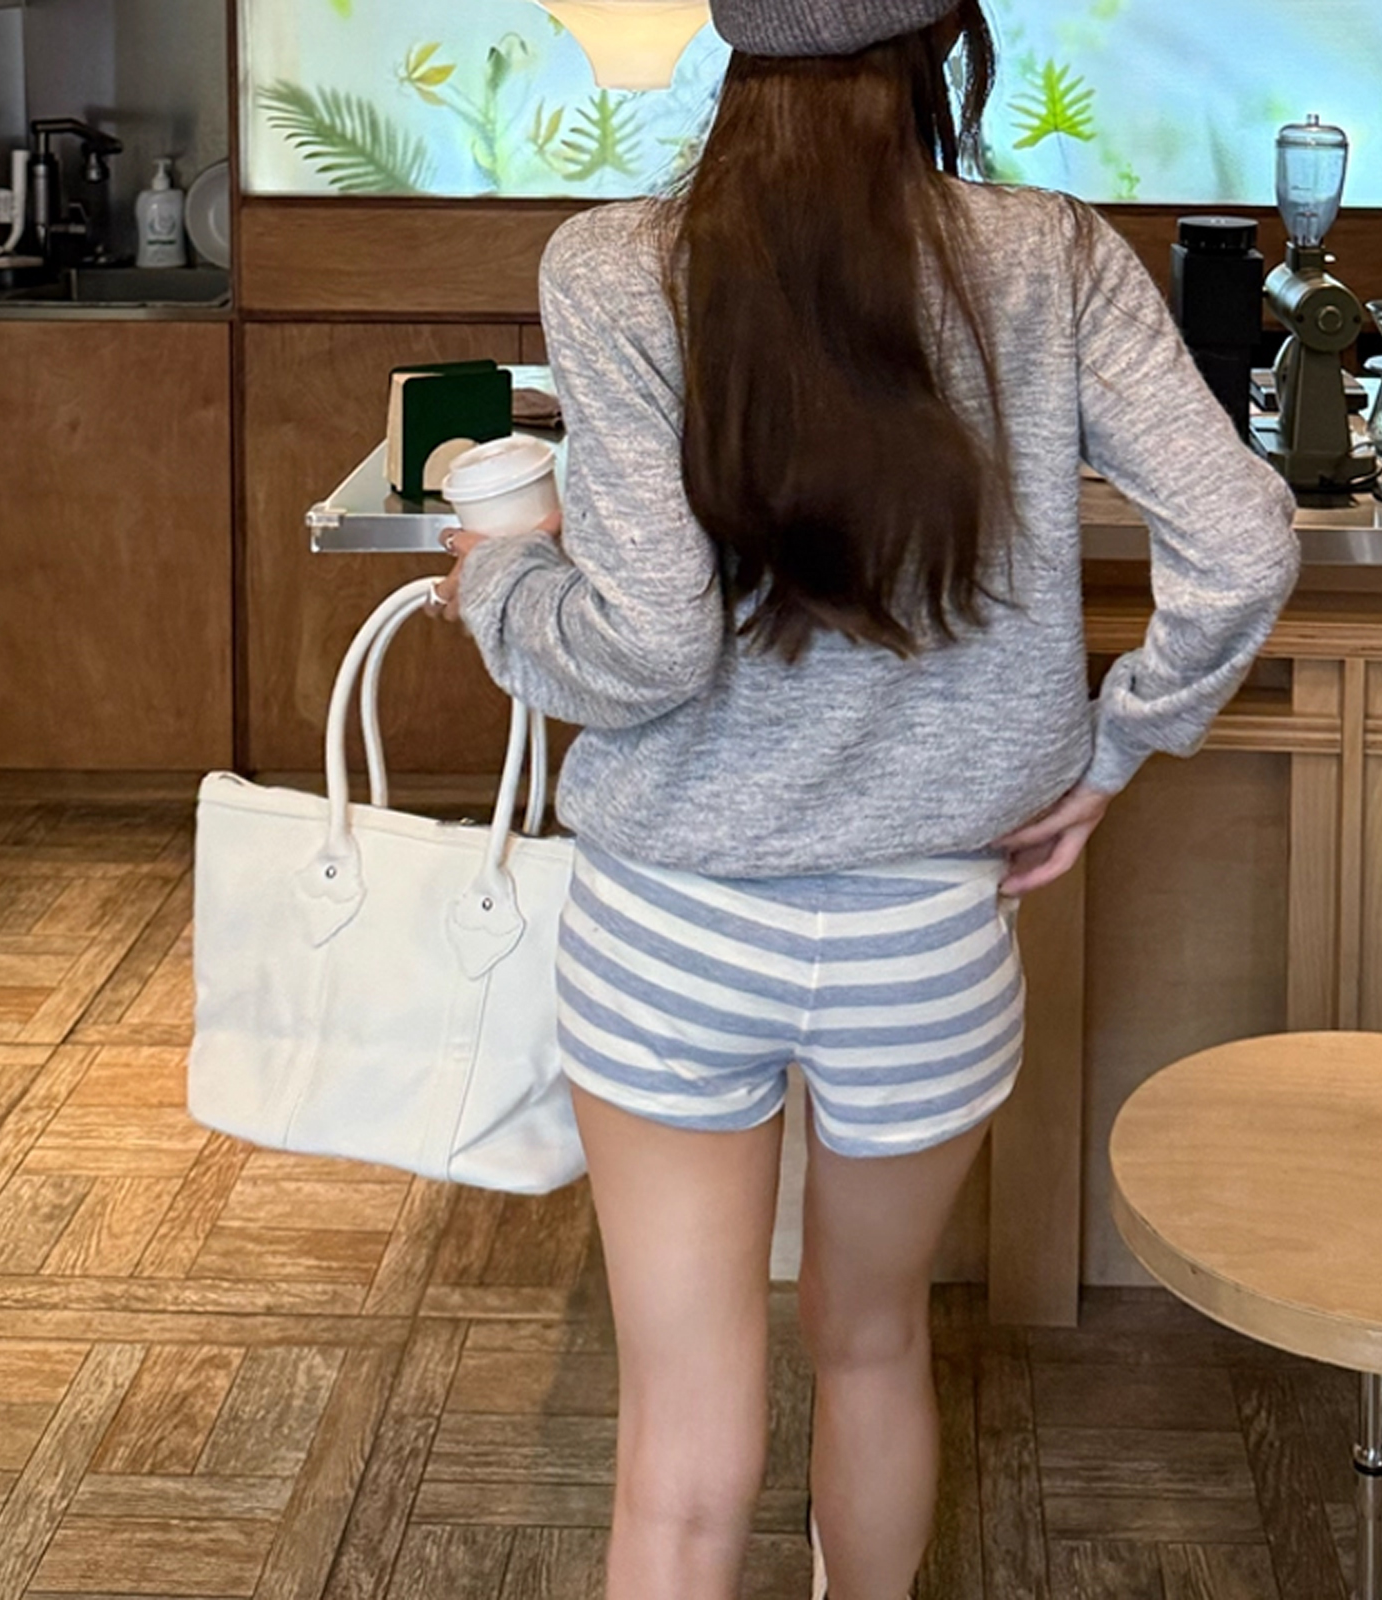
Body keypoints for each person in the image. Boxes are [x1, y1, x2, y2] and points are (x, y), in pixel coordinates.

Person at [433, 3, 1300, 1596]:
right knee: (878, 1344)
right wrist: (1112, 753)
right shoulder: (1050, 256)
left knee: (679, 1441)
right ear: (948, 38)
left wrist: (496, 580)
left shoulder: (616, 267)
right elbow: (1245, 541)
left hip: (668, 930)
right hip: (927, 938)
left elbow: (642, 649)